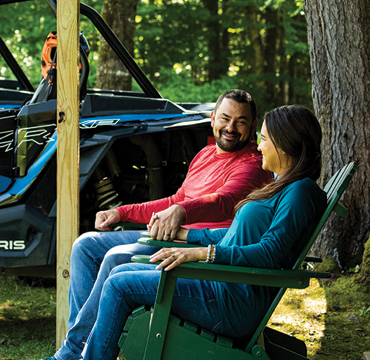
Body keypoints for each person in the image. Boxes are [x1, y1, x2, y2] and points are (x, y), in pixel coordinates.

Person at [79, 105, 326, 360]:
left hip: (229, 302)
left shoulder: (300, 192)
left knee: (120, 285)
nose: (259, 146)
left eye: (264, 139)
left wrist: (202, 254)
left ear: (284, 145)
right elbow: (234, 237)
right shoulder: (283, 186)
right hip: (221, 285)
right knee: (119, 272)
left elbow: (269, 253)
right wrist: (186, 236)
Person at [46, 89, 273, 360]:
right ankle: (78, 349)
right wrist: (121, 212)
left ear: (253, 126)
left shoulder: (252, 165)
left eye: (241, 121)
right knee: (86, 245)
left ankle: (76, 353)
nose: (231, 128)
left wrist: (181, 210)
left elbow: (223, 200)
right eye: (225, 118)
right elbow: (178, 198)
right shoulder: (206, 154)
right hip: (169, 236)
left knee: (115, 257)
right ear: (213, 118)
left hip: (196, 250)